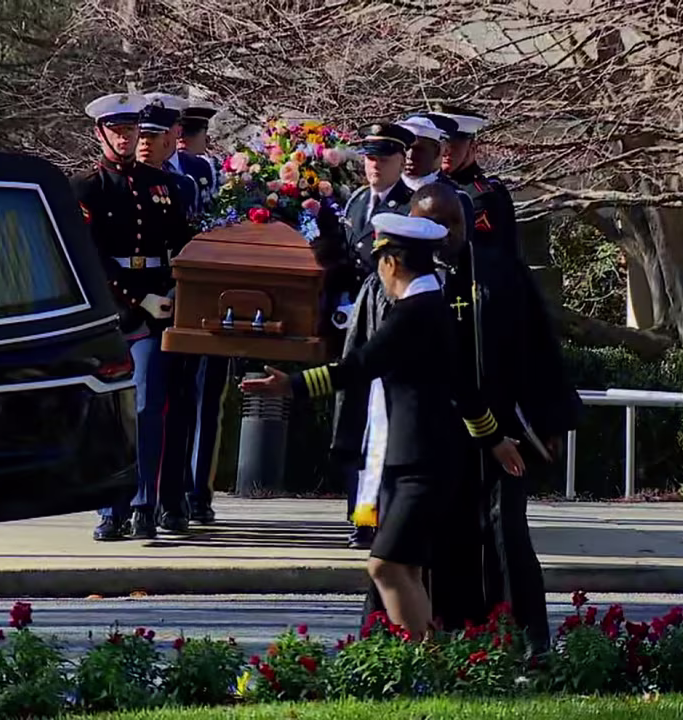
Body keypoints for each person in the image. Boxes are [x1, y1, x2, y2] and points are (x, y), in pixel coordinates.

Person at [241, 214, 512, 639]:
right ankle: (432, 664)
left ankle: (424, 661)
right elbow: (466, 389)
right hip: (420, 458)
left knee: (384, 565)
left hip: (422, 461)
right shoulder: (430, 307)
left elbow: (360, 366)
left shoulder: (414, 314)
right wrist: (493, 439)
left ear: (391, 264)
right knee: (406, 567)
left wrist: (291, 386)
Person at [429, 104, 583, 657]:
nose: (446, 154)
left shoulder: (491, 206)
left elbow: (524, 321)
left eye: (454, 145)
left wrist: (546, 413)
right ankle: (448, 634)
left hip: (497, 394)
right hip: (442, 410)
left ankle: (528, 637)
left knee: (503, 523)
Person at [70, 92, 196, 541]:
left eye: (131, 131)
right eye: (117, 131)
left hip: (156, 309)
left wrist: (176, 290)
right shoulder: (86, 188)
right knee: (110, 411)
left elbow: (184, 244)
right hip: (112, 313)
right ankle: (110, 508)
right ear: (100, 133)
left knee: (146, 408)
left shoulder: (161, 184)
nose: (126, 139)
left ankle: (144, 503)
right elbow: (91, 258)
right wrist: (138, 299)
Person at [309, 122, 417, 550]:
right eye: (369, 157)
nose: (374, 165)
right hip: (352, 325)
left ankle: (376, 516)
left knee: (381, 426)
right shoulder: (354, 203)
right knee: (354, 422)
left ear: (401, 161)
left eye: (384, 157)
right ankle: (359, 514)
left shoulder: (411, 208)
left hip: (387, 325)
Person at [143, 93, 229, 528]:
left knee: (197, 397)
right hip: (148, 301)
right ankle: (155, 497)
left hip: (194, 297)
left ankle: (192, 492)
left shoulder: (198, 175)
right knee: (157, 401)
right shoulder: (135, 178)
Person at [426, 105, 520, 260]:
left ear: (472, 147)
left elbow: (477, 256)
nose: (446, 150)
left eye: (454, 143)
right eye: (440, 143)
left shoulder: (481, 196)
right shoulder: (429, 185)